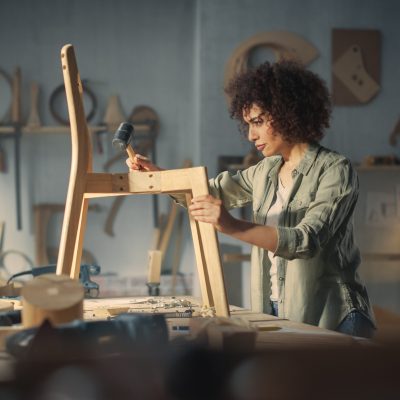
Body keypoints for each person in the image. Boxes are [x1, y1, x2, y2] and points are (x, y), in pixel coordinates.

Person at [127, 60, 376, 338]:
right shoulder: (266, 170)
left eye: (257, 122)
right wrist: (160, 176)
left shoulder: (335, 169)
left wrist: (232, 226)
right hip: (279, 309)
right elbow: (207, 192)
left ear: (288, 113)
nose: (250, 135)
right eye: (247, 124)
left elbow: (307, 240)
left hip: (334, 316)